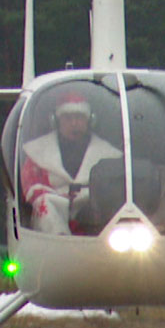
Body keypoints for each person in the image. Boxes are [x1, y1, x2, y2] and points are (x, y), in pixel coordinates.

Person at [21, 92, 122, 234]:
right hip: (52, 214)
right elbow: (29, 186)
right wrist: (60, 199)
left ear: (89, 120)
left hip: (92, 214)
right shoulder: (37, 152)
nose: (74, 123)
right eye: (68, 118)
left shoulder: (108, 154)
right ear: (56, 121)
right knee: (45, 203)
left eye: (79, 117)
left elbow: (115, 190)